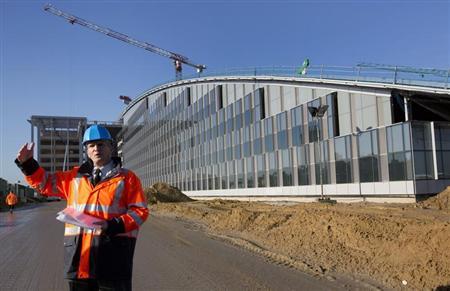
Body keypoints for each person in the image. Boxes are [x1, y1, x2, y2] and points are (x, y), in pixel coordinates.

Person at [15, 125, 149, 291]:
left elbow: (139, 211)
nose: (96, 149)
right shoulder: (74, 177)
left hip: (113, 256)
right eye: (91, 145)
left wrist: (112, 225)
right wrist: (27, 164)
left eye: (101, 144)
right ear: (86, 149)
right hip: (79, 257)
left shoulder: (128, 178)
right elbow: (46, 182)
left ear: (111, 147)